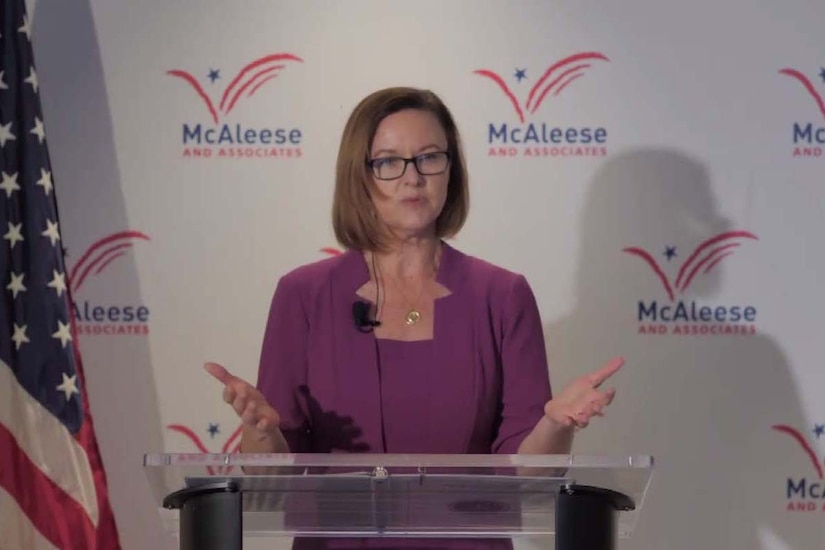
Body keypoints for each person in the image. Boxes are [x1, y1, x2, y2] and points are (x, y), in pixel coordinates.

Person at [205, 87, 623, 549]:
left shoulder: (502, 296)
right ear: (359, 177)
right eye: (389, 162)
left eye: (429, 158)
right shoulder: (303, 295)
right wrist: (259, 433)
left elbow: (525, 477)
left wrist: (556, 425)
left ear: (451, 171)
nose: (413, 178)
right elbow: (275, 477)